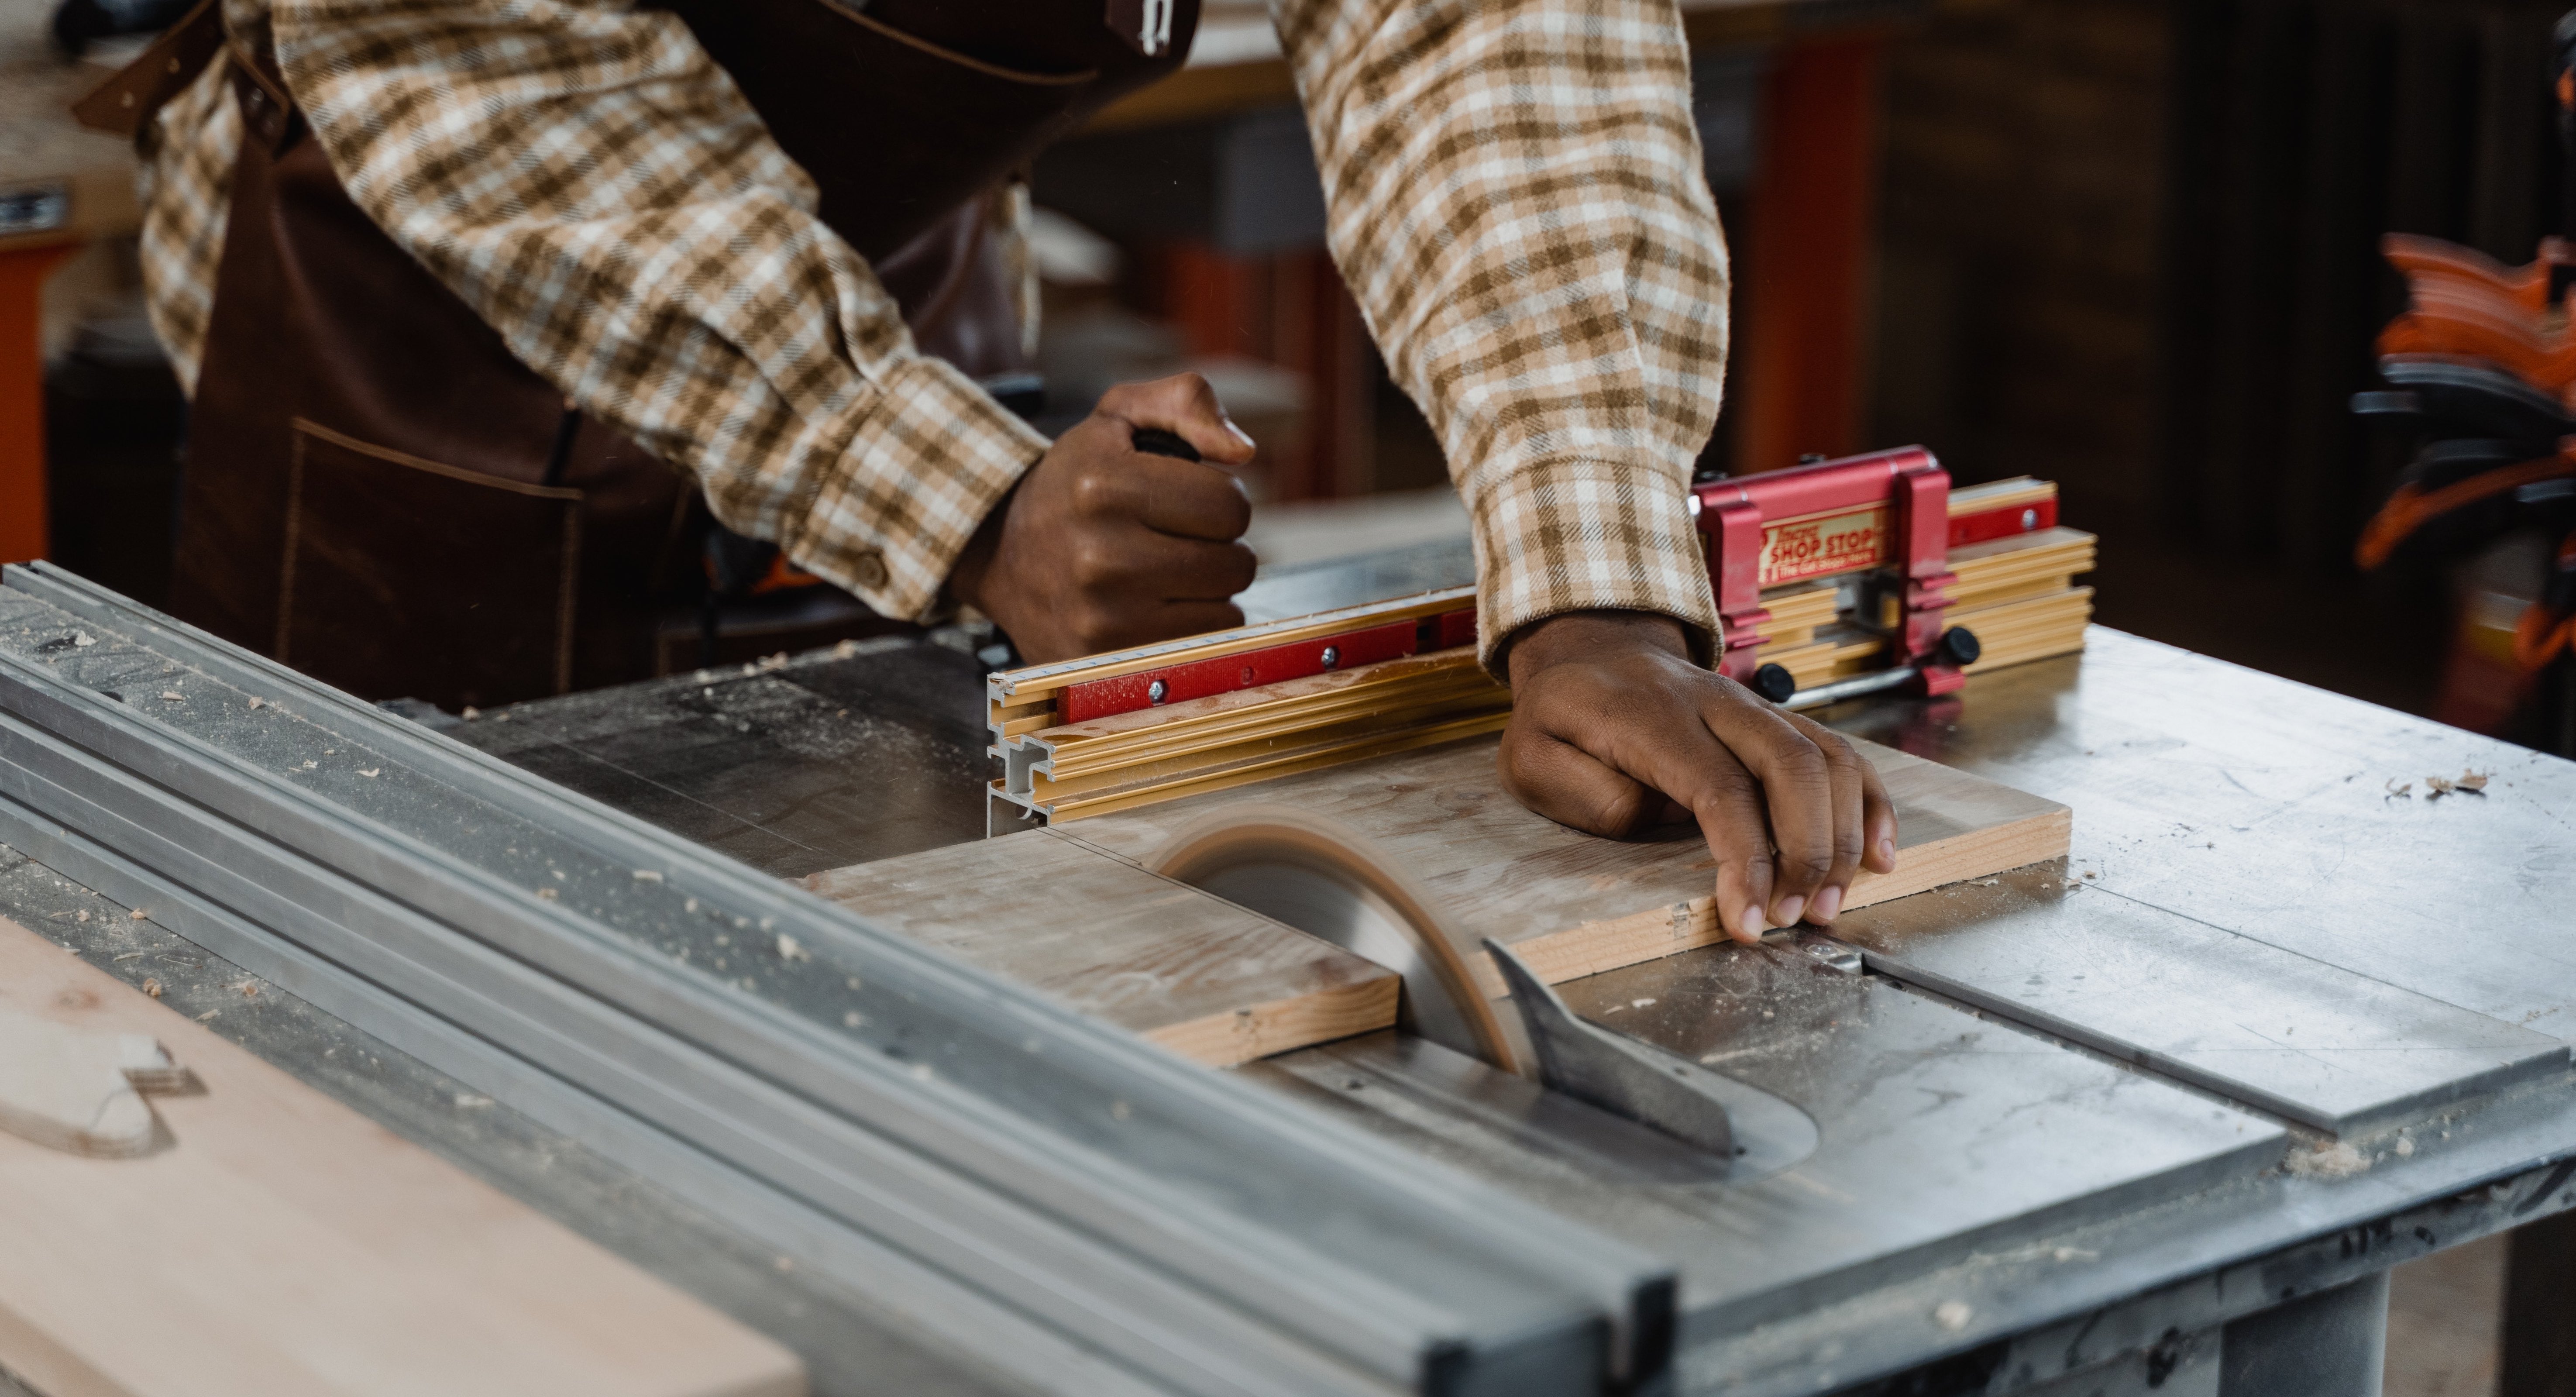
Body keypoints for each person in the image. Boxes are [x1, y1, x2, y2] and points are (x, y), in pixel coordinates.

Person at [90, 0, 1893, 941]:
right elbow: (477, 52)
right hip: (429, 328)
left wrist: (1583, 574)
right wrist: (949, 490)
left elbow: (1473, 26)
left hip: (887, 277)